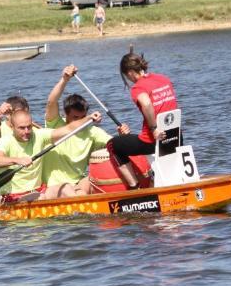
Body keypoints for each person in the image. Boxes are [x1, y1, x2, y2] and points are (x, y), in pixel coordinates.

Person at [40, 65, 125, 199]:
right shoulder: (55, 124)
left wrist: (123, 136)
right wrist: (64, 80)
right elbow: (51, 102)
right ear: (65, 114)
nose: (80, 121)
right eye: (75, 117)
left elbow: (114, 144)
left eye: (82, 116)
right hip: (54, 186)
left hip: (78, 183)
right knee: (72, 191)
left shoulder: (93, 132)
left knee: (90, 182)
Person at [107, 52, 179, 188]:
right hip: (175, 135)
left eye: (126, 76)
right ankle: (157, 179)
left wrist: (154, 129)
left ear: (129, 73)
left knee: (113, 145)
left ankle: (135, 188)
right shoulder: (163, 78)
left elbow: (146, 104)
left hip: (153, 140)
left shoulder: (138, 87)